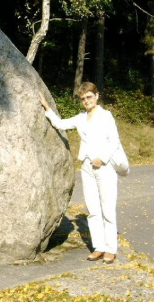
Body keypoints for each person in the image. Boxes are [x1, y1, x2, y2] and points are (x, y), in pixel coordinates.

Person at [39, 82, 124, 264]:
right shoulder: (81, 118)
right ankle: (99, 247)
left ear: (96, 96)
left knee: (107, 210)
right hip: (87, 168)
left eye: (89, 97)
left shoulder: (105, 116)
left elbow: (114, 141)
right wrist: (47, 107)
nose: (86, 100)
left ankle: (111, 249)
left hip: (104, 167)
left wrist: (102, 158)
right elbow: (60, 124)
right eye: (83, 98)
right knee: (93, 210)